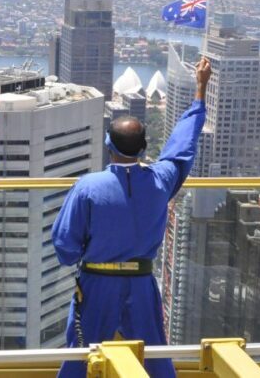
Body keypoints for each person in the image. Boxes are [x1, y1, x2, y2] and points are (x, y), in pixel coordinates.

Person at [52, 57, 211, 377]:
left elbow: (64, 246)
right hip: (141, 284)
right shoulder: (160, 181)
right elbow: (181, 150)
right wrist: (200, 90)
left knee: (81, 358)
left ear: (108, 145)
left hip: (97, 285)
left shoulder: (88, 187)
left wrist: (86, 252)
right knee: (153, 357)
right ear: (142, 149)